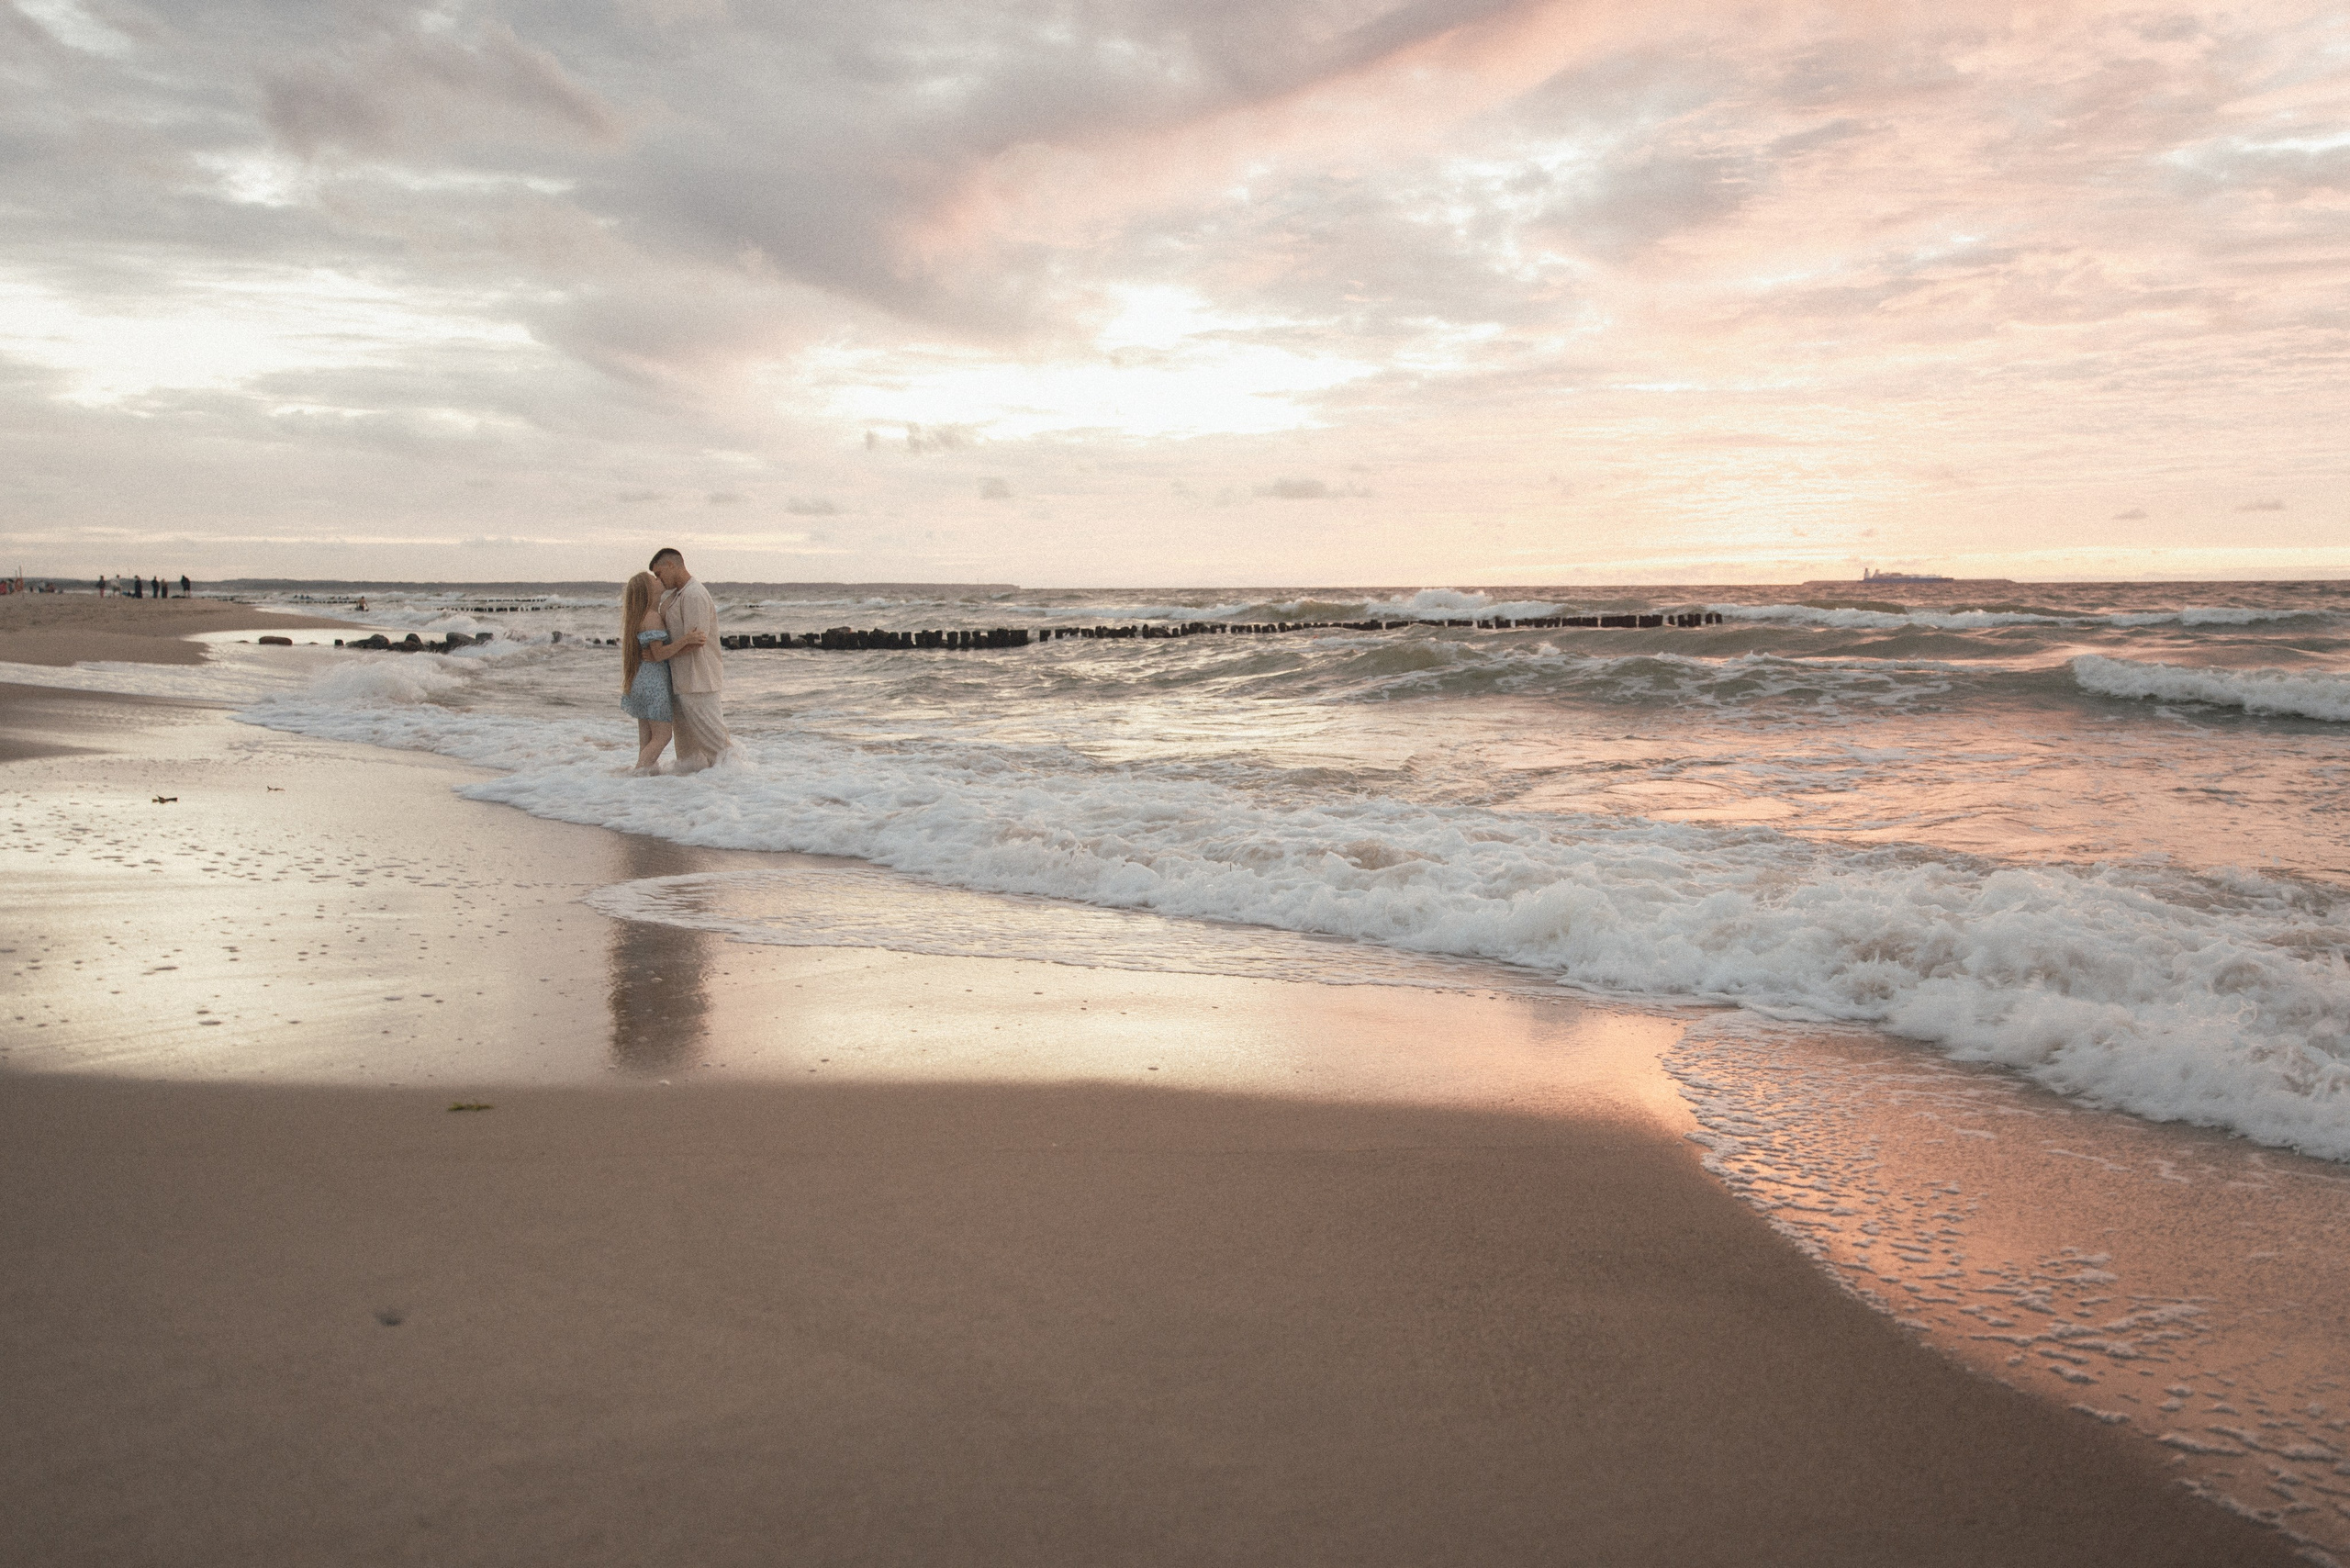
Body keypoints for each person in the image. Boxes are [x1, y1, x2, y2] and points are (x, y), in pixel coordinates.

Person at [649, 547, 730, 771]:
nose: (659, 580)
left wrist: (661, 653)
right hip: (683, 683)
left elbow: (696, 642)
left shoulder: (694, 594)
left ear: (671, 565)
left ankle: (740, 787)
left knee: (718, 746)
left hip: (699, 681)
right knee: (688, 754)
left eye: (659, 573)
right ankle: (694, 796)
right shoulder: (677, 595)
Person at [619, 570, 692, 773]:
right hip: (654, 684)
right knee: (662, 736)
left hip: (641, 681)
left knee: (647, 739)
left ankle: (642, 780)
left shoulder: (643, 616)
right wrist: (686, 640)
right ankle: (638, 773)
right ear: (647, 591)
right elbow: (659, 654)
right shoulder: (652, 618)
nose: (658, 578)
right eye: (654, 579)